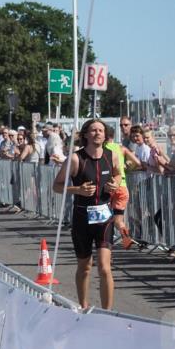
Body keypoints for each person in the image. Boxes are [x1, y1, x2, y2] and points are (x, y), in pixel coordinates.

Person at [53, 119, 121, 311]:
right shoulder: (75, 159)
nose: (97, 133)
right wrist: (78, 190)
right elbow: (56, 186)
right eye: (93, 130)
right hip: (82, 218)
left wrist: (115, 183)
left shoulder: (112, 156)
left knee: (104, 267)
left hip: (104, 218)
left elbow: (117, 175)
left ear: (105, 134)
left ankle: (107, 312)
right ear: (85, 135)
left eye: (101, 130)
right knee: (85, 266)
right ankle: (83, 306)